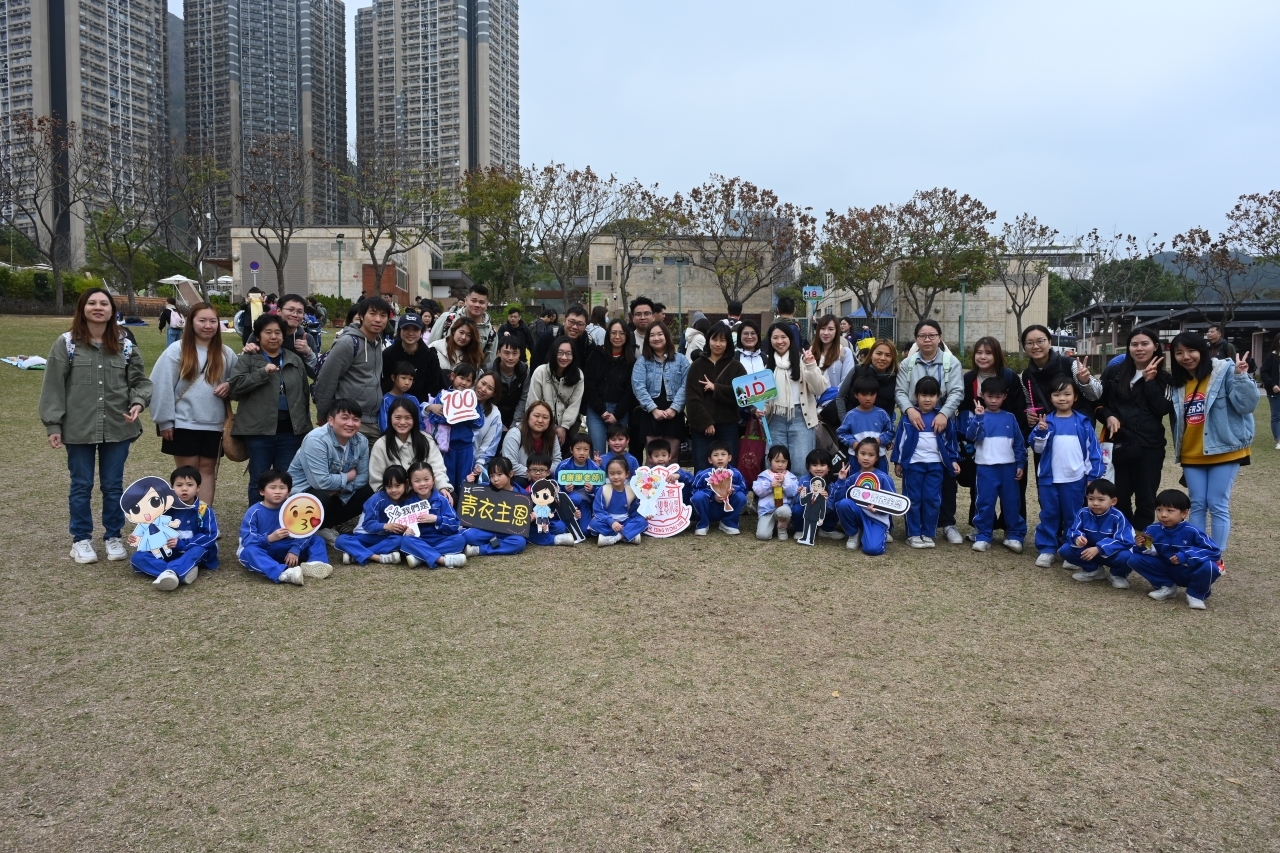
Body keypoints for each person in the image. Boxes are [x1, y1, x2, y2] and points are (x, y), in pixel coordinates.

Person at [40, 288, 153, 564]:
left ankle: (113, 536)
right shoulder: (66, 344)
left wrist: (138, 403)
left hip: (118, 427)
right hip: (79, 429)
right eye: (92, 303)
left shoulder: (125, 344)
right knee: (81, 486)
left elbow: (140, 382)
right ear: (82, 308)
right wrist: (53, 425)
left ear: (112, 310)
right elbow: (53, 386)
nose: (98, 307)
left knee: (113, 486)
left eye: (104, 303)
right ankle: (81, 540)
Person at [1168, 331, 1257, 552]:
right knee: (1197, 504)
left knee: (1217, 504)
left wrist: (1241, 377)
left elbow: (1246, 405)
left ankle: (1216, 556)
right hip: (1191, 453)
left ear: (1203, 350)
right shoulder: (1177, 383)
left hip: (1224, 449)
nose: (1186, 357)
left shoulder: (1224, 370)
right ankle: (1197, 553)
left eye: (1191, 350)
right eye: (1179, 353)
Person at [148, 302, 237, 506]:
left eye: (212, 321)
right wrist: (164, 420)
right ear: (191, 322)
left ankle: (203, 517)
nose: (208, 326)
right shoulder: (177, 350)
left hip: (214, 424)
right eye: (202, 320)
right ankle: (186, 517)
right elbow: (161, 384)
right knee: (188, 475)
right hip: (183, 423)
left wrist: (230, 385)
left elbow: (239, 380)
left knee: (207, 471)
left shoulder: (226, 353)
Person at [1093, 327, 1175, 531]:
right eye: (1134, 344)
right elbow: (1098, 403)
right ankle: (1124, 536)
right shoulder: (1114, 372)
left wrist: (1150, 381)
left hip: (1149, 446)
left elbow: (1162, 408)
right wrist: (1108, 416)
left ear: (1155, 347)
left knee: (1146, 499)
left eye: (1145, 344)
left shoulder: (1165, 378)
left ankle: (1141, 539)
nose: (1139, 348)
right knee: (1118, 496)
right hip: (1118, 443)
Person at [228, 314, 312, 504]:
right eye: (268, 332)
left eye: (278, 332)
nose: (273, 336)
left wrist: (305, 426)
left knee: (286, 479)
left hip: (290, 432)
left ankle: (282, 518)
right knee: (259, 478)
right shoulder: (248, 359)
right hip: (259, 431)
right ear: (258, 336)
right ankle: (256, 517)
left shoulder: (293, 359)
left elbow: (304, 395)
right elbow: (234, 389)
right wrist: (262, 373)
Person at [896, 320, 964, 543]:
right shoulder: (907, 364)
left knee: (943, 482)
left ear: (939, 337)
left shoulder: (950, 362)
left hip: (942, 423)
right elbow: (900, 392)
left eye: (932, 335)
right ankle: (914, 531)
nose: (927, 340)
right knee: (914, 490)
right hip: (915, 421)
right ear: (916, 339)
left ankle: (945, 524)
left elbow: (957, 391)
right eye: (922, 336)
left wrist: (943, 413)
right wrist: (909, 410)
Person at [954, 337, 1029, 537]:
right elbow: (963, 408)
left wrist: (1020, 443)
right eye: (979, 352)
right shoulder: (968, 378)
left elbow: (1019, 410)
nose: (983, 357)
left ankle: (1012, 528)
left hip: (1007, 439)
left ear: (997, 355)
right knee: (980, 487)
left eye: (988, 353)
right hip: (979, 440)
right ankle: (981, 528)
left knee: (1013, 488)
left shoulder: (1009, 376)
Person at [1029, 378, 1106, 568]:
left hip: (1075, 479)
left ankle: (1071, 549)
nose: (1062, 398)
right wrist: (1040, 433)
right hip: (1049, 479)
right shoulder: (1046, 422)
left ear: (1075, 397)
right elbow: (1037, 448)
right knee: (1049, 513)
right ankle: (1047, 549)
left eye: (1067, 394)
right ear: (1050, 398)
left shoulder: (1083, 422)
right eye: (1056, 395)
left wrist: (1093, 476)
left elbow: (1094, 451)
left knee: (1073, 516)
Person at [1110, 489, 1223, 610]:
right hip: (1165, 569)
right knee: (1134, 558)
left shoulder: (1193, 531)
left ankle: (1195, 594)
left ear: (1184, 513)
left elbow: (1214, 551)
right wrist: (1140, 546)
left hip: (1189, 571)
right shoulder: (1151, 529)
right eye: (1159, 510)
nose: (1163, 515)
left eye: (1170, 510)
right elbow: (1149, 553)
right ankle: (1166, 586)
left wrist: (1185, 556)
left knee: (1210, 566)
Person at [891, 376, 961, 549]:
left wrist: (953, 460)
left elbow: (951, 441)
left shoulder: (942, 418)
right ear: (916, 396)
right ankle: (913, 534)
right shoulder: (908, 418)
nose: (927, 399)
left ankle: (928, 533)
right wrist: (898, 462)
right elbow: (900, 440)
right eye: (923, 395)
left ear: (938, 397)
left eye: (932, 395)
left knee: (932, 499)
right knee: (913, 499)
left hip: (936, 466)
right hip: (913, 465)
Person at [287, 399, 372, 538]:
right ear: (331, 420)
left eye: (355, 419)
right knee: (321, 496)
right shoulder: (316, 440)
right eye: (345, 418)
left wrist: (339, 489)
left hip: (336, 492)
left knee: (369, 490)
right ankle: (303, 528)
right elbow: (321, 483)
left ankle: (323, 526)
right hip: (303, 493)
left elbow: (363, 477)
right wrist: (349, 477)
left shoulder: (361, 441)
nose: (350, 424)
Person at [236, 469, 333, 585]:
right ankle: (283, 573)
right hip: (265, 548)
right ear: (262, 491)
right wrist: (269, 538)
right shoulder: (254, 512)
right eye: (272, 488)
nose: (278, 492)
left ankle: (315, 564)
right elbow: (247, 539)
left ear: (288, 492)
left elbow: (304, 531)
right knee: (249, 551)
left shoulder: (294, 508)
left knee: (317, 539)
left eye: (282, 488)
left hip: (287, 547)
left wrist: (295, 549)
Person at [128, 467, 219, 589]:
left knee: (199, 550)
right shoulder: (162, 509)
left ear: (198, 488)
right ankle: (179, 572)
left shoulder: (203, 510)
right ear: (172, 487)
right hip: (169, 552)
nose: (184, 489)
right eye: (179, 485)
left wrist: (183, 544)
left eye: (190, 485)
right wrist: (137, 538)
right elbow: (150, 530)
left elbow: (209, 537)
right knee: (137, 557)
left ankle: (176, 571)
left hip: (192, 550)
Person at [965, 377, 1027, 554]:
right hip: (985, 468)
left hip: (1009, 468)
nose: (993, 400)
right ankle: (984, 535)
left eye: (998, 397)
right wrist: (978, 418)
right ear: (982, 395)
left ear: (1005, 397)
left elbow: (1019, 444)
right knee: (984, 501)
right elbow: (971, 436)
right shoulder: (978, 416)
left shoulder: (1010, 417)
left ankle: (1015, 535)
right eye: (990, 396)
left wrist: (1020, 463)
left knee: (1012, 502)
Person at [313, 296, 389, 439]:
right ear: (361, 316)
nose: (378, 319)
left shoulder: (378, 342)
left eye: (383, 315)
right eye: (372, 314)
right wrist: (323, 415)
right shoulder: (348, 342)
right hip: (348, 420)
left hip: (374, 420)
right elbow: (326, 380)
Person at [763, 322, 826, 474]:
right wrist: (762, 410)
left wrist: (811, 366)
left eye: (783, 337)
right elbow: (766, 397)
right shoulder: (768, 363)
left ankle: (800, 491)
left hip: (801, 418)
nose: (779, 341)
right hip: (775, 419)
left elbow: (819, 389)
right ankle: (776, 491)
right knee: (775, 467)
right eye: (775, 337)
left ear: (790, 338)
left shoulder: (804, 359)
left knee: (801, 466)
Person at [685, 324, 747, 468]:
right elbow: (692, 398)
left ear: (728, 343)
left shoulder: (736, 367)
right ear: (708, 340)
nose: (718, 344)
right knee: (702, 468)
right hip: (702, 427)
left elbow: (742, 395)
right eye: (714, 339)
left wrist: (716, 388)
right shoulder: (697, 366)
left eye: (722, 340)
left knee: (728, 468)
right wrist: (706, 422)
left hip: (728, 425)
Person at [1058, 478, 1136, 586]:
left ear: (1113, 501)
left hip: (1111, 554)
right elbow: (1073, 531)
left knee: (1128, 556)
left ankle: (1118, 575)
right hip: (1089, 552)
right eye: (1091, 499)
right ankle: (1093, 570)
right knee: (1065, 549)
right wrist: (1078, 537)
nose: (1095, 503)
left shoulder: (1118, 517)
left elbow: (1126, 541)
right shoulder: (1083, 513)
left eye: (1101, 500)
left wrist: (1099, 548)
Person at [368, 398, 452, 497]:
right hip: (394, 497)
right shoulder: (381, 445)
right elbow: (377, 480)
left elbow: (437, 468)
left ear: (414, 419)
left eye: (408, 418)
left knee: (450, 497)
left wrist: (442, 487)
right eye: (398, 417)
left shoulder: (426, 439)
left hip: (424, 494)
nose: (402, 422)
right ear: (390, 418)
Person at [632, 321, 690, 461]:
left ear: (666, 336)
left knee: (671, 457)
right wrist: (653, 409)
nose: (656, 338)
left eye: (660, 334)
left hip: (674, 413)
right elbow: (638, 386)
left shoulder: (681, 360)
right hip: (650, 414)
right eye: (652, 335)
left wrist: (674, 408)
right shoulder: (642, 361)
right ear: (648, 339)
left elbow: (687, 385)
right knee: (653, 458)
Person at [423, 362, 484, 490]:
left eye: (468, 380)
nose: (464, 383)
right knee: (447, 480)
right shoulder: (443, 395)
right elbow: (433, 418)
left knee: (466, 481)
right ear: (452, 376)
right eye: (461, 378)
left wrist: (465, 418)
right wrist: (450, 417)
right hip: (447, 447)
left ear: (472, 383)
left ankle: (463, 503)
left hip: (466, 446)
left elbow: (480, 422)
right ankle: (448, 502)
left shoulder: (472, 399)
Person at [1020, 324, 1101, 422]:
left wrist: (1085, 382)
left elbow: (1096, 395)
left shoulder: (1070, 365)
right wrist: (1030, 416)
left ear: (1050, 342)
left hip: (1077, 427)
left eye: (1040, 341)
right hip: (1048, 428)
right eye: (1029, 343)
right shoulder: (1025, 376)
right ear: (1024, 347)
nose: (1035, 346)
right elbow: (1030, 404)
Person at [397, 462, 469, 568]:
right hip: (420, 540)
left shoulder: (442, 500)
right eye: (417, 481)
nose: (422, 484)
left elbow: (455, 524)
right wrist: (405, 530)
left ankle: (420, 557)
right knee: (405, 541)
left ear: (433, 479)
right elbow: (401, 525)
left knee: (460, 540)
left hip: (441, 539)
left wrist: (436, 519)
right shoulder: (408, 503)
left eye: (426, 479)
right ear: (410, 484)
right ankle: (442, 560)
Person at [334, 465, 410, 565]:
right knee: (340, 540)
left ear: (406, 483)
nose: (393, 490)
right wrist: (386, 526)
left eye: (397, 486)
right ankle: (377, 558)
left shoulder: (406, 502)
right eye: (389, 486)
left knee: (400, 540)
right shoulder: (376, 499)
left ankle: (356, 555)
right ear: (384, 486)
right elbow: (368, 525)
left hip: (383, 538)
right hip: (364, 536)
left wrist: (405, 529)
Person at [834, 438, 897, 556]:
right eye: (862, 454)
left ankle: (874, 533)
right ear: (856, 455)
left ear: (877, 458)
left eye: (871, 455)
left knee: (872, 550)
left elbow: (892, 503)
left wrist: (878, 509)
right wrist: (841, 480)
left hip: (876, 519)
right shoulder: (852, 478)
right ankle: (854, 533)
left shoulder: (883, 478)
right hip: (858, 515)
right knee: (844, 503)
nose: (866, 458)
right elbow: (838, 500)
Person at [583, 318, 636, 455]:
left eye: (622, 333)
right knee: (597, 453)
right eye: (614, 333)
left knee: (617, 452)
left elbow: (630, 390)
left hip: (620, 411)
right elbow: (589, 385)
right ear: (608, 334)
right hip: (596, 411)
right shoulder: (596, 355)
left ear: (627, 336)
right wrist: (601, 410)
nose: (617, 337)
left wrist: (617, 414)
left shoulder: (631, 360)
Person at [461, 457, 530, 558]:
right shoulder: (485, 488)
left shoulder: (522, 495)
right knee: (467, 536)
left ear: (510, 474)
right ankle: (498, 544)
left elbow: (522, 522)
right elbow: (467, 499)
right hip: (486, 530)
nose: (495, 479)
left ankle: (477, 550)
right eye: (492, 476)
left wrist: (530, 517)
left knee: (519, 542)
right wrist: (466, 483)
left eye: (499, 475)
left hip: (507, 533)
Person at [527, 335, 585, 446]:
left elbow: (574, 404)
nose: (564, 357)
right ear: (553, 353)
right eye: (560, 353)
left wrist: (564, 427)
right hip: (540, 425)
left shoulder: (578, 375)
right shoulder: (541, 372)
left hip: (566, 429)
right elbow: (533, 401)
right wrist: (549, 426)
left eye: (568, 354)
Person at [836, 375, 895, 473]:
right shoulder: (851, 415)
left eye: (872, 394)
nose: (868, 398)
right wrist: (853, 443)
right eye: (864, 394)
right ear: (856, 395)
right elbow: (841, 433)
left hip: (878, 457)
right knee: (856, 481)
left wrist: (880, 440)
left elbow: (890, 431)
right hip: (856, 458)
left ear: (876, 395)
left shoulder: (882, 414)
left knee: (880, 480)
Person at [381, 310, 443, 401]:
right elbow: (385, 383)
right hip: (393, 404)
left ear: (421, 332)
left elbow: (434, 385)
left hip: (421, 405)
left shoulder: (430, 356)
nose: (410, 333)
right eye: (406, 328)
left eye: (415, 329)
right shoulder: (388, 354)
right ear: (399, 330)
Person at [430, 283, 498, 364]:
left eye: (481, 302)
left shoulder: (491, 333)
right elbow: (430, 347)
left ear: (487, 305)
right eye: (473, 301)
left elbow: (488, 364)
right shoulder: (447, 319)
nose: (477, 305)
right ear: (466, 301)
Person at [690, 441, 748, 536]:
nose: (720, 458)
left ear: (729, 458)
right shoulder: (703, 474)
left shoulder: (736, 474)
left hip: (727, 508)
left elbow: (744, 488)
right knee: (698, 497)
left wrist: (733, 489)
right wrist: (713, 495)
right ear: (710, 460)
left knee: (741, 496)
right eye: (715, 455)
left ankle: (728, 523)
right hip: (709, 507)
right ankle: (703, 523)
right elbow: (694, 490)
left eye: (723, 454)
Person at [792, 449, 848, 544]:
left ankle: (826, 529)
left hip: (822, 513)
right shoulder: (804, 481)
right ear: (809, 467)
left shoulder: (831, 485)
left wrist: (825, 500)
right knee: (797, 508)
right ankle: (801, 529)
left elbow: (831, 506)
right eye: (814, 465)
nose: (818, 468)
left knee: (837, 503)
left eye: (822, 465)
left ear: (829, 468)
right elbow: (796, 502)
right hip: (807, 511)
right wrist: (802, 495)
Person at [588, 456, 647, 547]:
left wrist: (644, 514)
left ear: (627, 474)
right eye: (612, 474)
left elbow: (634, 512)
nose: (616, 477)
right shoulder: (603, 490)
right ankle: (628, 535)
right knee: (594, 524)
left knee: (642, 521)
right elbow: (598, 511)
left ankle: (616, 537)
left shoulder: (631, 491)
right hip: (608, 522)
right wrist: (611, 522)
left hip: (625, 521)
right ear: (608, 475)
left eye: (619, 473)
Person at [500, 400, 562, 483]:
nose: (540, 420)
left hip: (545, 476)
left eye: (545, 417)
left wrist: (542, 473)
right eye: (536, 416)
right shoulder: (514, 434)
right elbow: (510, 465)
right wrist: (534, 474)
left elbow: (557, 462)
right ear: (528, 417)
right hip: (521, 476)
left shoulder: (552, 436)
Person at [836, 338, 898, 422]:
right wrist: (845, 422)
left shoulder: (894, 378)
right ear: (871, 354)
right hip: (853, 424)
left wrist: (886, 427)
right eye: (879, 353)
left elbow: (891, 407)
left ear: (892, 358)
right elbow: (841, 396)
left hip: (879, 427)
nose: (883, 358)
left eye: (888, 355)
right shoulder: (857, 370)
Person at [753, 445, 798, 541]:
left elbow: (793, 492)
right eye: (777, 461)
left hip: (783, 507)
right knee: (763, 536)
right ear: (769, 461)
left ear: (788, 462)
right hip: (767, 510)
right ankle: (770, 525)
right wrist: (770, 485)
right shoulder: (764, 475)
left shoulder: (790, 476)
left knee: (784, 511)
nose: (780, 465)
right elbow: (757, 490)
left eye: (784, 461)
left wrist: (785, 482)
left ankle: (782, 528)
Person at [532, 303, 595, 371]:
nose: (575, 327)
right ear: (564, 321)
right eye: (571, 322)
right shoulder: (548, 337)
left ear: (585, 326)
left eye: (580, 324)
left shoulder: (588, 343)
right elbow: (535, 365)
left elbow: (592, 371)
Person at [468, 371, 506, 481]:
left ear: (493, 394)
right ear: (477, 381)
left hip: (472, 462)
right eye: (483, 383)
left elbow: (489, 444)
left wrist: (479, 463)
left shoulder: (494, 414)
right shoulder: (460, 397)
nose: (483, 389)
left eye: (490, 388)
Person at [555, 433, 603, 519]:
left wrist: (592, 489)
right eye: (578, 449)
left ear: (590, 451)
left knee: (585, 527)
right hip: (569, 499)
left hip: (586, 501)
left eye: (586, 449)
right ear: (571, 450)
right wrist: (564, 488)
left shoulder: (595, 468)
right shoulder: (563, 466)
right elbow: (555, 484)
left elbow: (601, 489)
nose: (582, 453)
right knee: (575, 499)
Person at [492, 334, 531, 429]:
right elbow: (486, 401)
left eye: (515, 353)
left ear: (520, 354)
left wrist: (514, 425)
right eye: (506, 353)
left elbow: (524, 398)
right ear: (499, 352)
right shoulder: (489, 371)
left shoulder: (524, 371)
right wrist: (500, 425)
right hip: (493, 420)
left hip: (517, 420)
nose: (511, 358)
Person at [812, 314, 855, 390]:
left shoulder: (845, 353)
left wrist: (830, 395)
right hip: (813, 397)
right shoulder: (810, 353)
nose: (826, 333)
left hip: (836, 397)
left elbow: (847, 382)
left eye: (831, 329)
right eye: (822, 328)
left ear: (836, 331)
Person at [379, 362, 422, 433]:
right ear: (393, 378)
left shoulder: (413, 399)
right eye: (403, 378)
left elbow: (419, 423)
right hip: (392, 437)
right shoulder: (385, 400)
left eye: (410, 379)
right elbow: (384, 426)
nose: (407, 382)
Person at [1261, 334, 1280, 450]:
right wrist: (1273, 385)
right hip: (1275, 391)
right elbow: (1264, 373)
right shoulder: (1271, 357)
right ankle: (1278, 440)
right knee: (1276, 415)